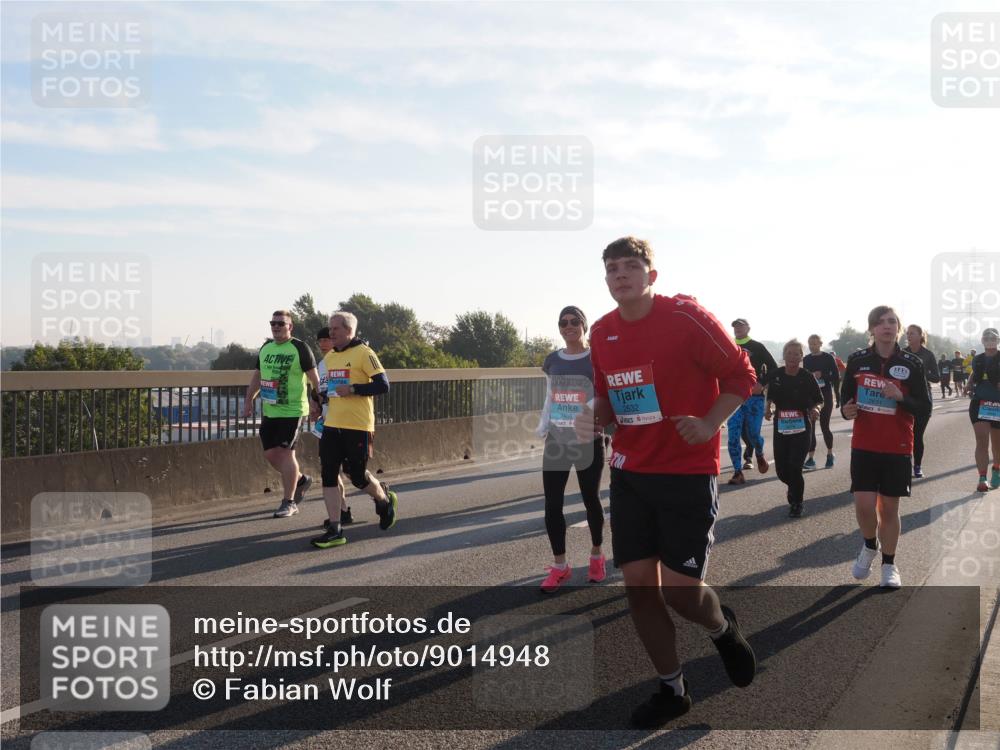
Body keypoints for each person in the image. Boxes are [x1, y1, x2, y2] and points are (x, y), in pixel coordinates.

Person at [576, 236, 756, 727]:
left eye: (630, 266)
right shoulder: (603, 331)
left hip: (686, 474)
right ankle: (672, 689)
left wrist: (710, 424)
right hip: (631, 474)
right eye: (611, 268)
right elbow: (607, 395)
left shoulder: (685, 317)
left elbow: (743, 377)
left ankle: (721, 627)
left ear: (651, 276)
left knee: (681, 593)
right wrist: (592, 414)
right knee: (638, 589)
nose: (619, 275)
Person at [840, 306, 931, 589]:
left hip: (898, 446)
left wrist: (900, 396)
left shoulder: (912, 364)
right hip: (865, 445)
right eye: (880, 323)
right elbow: (845, 401)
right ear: (872, 329)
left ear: (899, 329)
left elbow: (924, 406)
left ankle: (889, 565)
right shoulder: (857, 361)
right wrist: (847, 410)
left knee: (889, 510)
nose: (886, 326)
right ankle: (869, 545)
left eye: (892, 322)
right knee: (864, 506)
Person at [310, 311, 398, 549]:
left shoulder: (364, 353)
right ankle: (335, 529)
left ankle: (383, 499)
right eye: (330, 329)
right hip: (332, 425)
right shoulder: (329, 359)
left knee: (356, 475)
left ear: (349, 331)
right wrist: (315, 404)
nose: (331, 333)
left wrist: (354, 389)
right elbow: (322, 388)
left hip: (358, 425)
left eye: (335, 329)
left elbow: (383, 385)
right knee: (328, 474)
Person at [535, 306, 606, 592]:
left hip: (588, 437)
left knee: (591, 498)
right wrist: (543, 425)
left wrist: (588, 415)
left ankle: (597, 556)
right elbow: (551, 396)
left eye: (574, 321)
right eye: (563, 322)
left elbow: (603, 393)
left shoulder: (596, 357)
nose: (569, 326)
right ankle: (560, 566)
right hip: (557, 439)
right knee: (553, 503)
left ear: (584, 325)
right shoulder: (552, 360)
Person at [243, 310, 320, 518]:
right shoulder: (266, 348)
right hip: (270, 409)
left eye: (280, 323)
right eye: (273, 323)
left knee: (286, 453)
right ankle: (302, 480)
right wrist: (249, 400)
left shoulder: (300, 348)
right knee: (270, 454)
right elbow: (258, 377)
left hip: (293, 410)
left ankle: (289, 501)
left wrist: (317, 402)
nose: (276, 327)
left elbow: (315, 379)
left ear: (290, 326)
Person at [764, 340, 823, 517]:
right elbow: (770, 395)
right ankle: (794, 486)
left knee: (795, 466)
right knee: (782, 470)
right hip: (781, 426)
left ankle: (797, 502)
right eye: (789, 353)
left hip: (802, 425)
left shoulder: (806, 376)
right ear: (784, 355)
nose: (792, 357)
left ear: (801, 357)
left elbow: (819, 399)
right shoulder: (776, 375)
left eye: (796, 353)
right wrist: (768, 408)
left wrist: (815, 409)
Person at [726, 318, 776, 485]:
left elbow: (774, 367)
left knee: (753, 433)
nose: (737, 329)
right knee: (733, 434)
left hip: (754, 398)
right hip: (733, 398)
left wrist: (762, 384)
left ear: (748, 328)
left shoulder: (757, 346)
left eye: (741, 326)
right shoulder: (728, 345)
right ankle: (738, 471)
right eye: (735, 326)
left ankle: (759, 453)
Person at [313, 327, 352, 526]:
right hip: (327, 421)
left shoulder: (347, 359)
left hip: (347, 421)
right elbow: (322, 391)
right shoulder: (322, 364)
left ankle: (380, 495)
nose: (323, 344)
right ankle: (342, 511)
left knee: (353, 471)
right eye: (319, 341)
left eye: (326, 339)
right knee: (330, 468)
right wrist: (316, 405)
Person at [965, 328, 1000, 492]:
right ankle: (982, 478)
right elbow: (976, 371)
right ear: (982, 340)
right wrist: (969, 383)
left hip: (998, 404)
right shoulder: (978, 359)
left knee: (997, 445)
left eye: (993, 337)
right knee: (981, 441)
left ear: (998, 340)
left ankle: (997, 470)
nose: (989, 339)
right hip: (980, 403)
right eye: (986, 337)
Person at [903, 325, 940, 479]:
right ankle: (904, 465)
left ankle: (917, 466)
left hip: (923, 399)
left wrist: (922, 372)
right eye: (907, 333)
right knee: (904, 435)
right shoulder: (902, 353)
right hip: (904, 398)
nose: (909, 336)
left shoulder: (928, 354)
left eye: (912, 333)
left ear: (920, 336)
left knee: (917, 435)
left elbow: (936, 377)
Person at [802, 335, 840, 469]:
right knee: (810, 427)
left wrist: (822, 375)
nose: (812, 346)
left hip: (825, 395)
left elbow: (836, 376)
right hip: (811, 396)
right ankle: (810, 459)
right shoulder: (806, 359)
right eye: (810, 344)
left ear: (820, 344)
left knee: (824, 426)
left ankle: (830, 454)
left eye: (814, 343)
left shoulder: (828, 358)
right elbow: (804, 377)